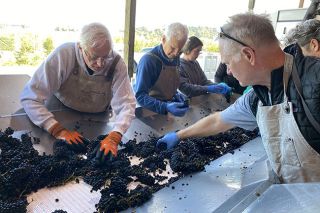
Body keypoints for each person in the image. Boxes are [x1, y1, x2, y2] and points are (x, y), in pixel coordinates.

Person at [156, 13, 320, 183]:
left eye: (227, 63)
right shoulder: (256, 98)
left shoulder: (315, 83)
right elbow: (218, 120)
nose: (227, 71)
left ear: (249, 55)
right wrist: (179, 136)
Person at [20, 23, 136, 162]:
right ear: (81, 47)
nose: (100, 64)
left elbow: (126, 103)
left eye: (105, 57)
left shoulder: (117, 63)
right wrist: (57, 129)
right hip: (59, 114)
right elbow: (30, 97)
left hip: (98, 120)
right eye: (93, 57)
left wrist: (114, 136)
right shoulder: (64, 55)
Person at [134, 23, 189, 117]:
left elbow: (168, 84)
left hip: (168, 113)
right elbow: (140, 96)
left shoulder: (175, 58)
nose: (176, 53)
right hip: (148, 114)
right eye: (173, 47)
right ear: (163, 39)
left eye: (180, 50)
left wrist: (176, 94)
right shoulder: (148, 60)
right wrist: (165, 107)